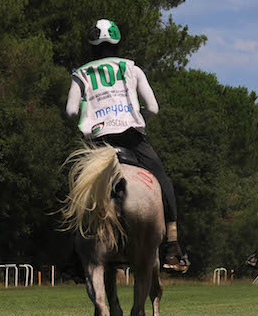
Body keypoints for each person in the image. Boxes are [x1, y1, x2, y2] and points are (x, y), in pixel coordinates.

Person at [65, 19, 189, 272]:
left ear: (92, 44)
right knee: (162, 179)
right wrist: (140, 120)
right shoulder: (133, 68)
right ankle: (173, 245)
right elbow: (153, 107)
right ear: (117, 42)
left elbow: (71, 111)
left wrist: (84, 123)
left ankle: (75, 254)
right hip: (132, 138)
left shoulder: (81, 73)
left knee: (76, 187)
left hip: (98, 142)